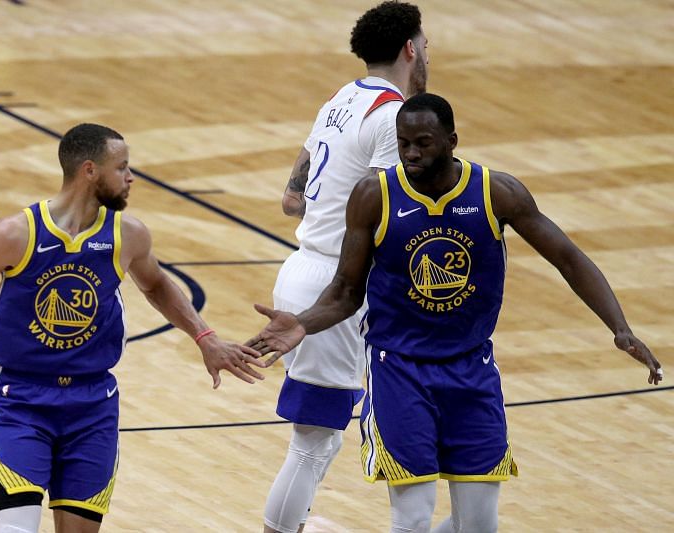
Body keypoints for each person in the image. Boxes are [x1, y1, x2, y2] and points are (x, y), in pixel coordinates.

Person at [249, 93, 663, 533]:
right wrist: (303, 324)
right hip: (399, 370)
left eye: (422, 143)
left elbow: (568, 258)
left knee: (479, 525)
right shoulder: (374, 196)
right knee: (412, 518)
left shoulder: (496, 192)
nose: (410, 153)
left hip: (473, 369)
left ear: (451, 141)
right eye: (403, 142)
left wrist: (620, 328)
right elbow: (346, 292)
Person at [0, 123, 265, 533]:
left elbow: (156, 284)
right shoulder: (15, 234)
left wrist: (204, 337)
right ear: (90, 171)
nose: (130, 177)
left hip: (94, 403)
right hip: (24, 401)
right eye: (121, 167)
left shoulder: (127, 234)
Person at [263, 2, 428, 532]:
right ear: (409, 48)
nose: (426, 54)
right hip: (336, 284)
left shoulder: (342, 98)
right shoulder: (391, 116)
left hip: (304, 269)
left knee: (318, 440)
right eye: (425, 45)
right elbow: (386, 207)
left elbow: (292, 198)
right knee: (313, 444)